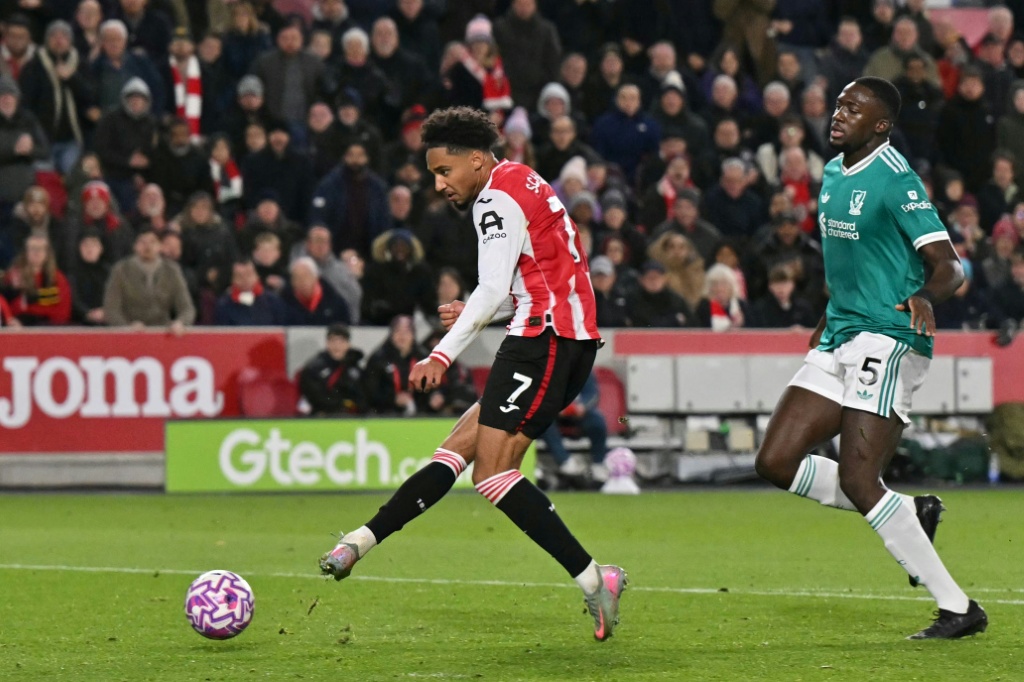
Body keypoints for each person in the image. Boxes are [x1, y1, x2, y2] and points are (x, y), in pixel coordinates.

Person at [318, 107, 627, 642]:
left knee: (491, 473)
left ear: (478, 160)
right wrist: (489, 307)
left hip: (543, 341)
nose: (439, 184)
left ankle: (597, 578)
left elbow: (493, 289)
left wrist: (440, 353)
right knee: (456, 449)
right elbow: (544, 272)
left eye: (445, 171)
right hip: (557, 335)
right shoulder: (521, 178)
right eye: (434, 173)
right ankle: (360, 542)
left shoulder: (494, 198)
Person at [753, 77, 987, 639]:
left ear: (880, 125)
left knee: (861, 480)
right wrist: (826, 316)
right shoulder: (833, 174)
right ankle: (910, 512)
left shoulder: (895, 179)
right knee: (775, 461)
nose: (838, 114)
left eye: (852, 109)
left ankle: (958, 607)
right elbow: (852, 263)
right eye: (837, 104)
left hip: (890, 335)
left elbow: (949, 264)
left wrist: (928, 295)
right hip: (841, 332)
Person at [103, 228, 195, 332]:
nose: (147, 246)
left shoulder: (172, 270)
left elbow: (187, 308)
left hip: (163, 332)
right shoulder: (120, 270)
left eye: (152, 242)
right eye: (142, 242)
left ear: (160, 246)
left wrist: (180, 323)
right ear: (135, 246)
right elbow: (111, 309)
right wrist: (126, 327)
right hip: (130, 333)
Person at [298, 322, 367, 415]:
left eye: (342, 341)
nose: (337, 346)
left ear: (348, 344)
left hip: (352, 416)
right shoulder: (314, 368)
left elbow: (363, 395)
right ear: (327, 343)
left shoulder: (355, 367)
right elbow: (316, 398)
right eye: (333, 341)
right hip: (324, 415)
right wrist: (343, 403)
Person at [213, 258, 288, 326]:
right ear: (233, 280)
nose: (245, 279)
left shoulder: (273, 301)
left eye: (249, 275)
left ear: (257, 276)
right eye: (240, 276)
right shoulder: (224, 305)